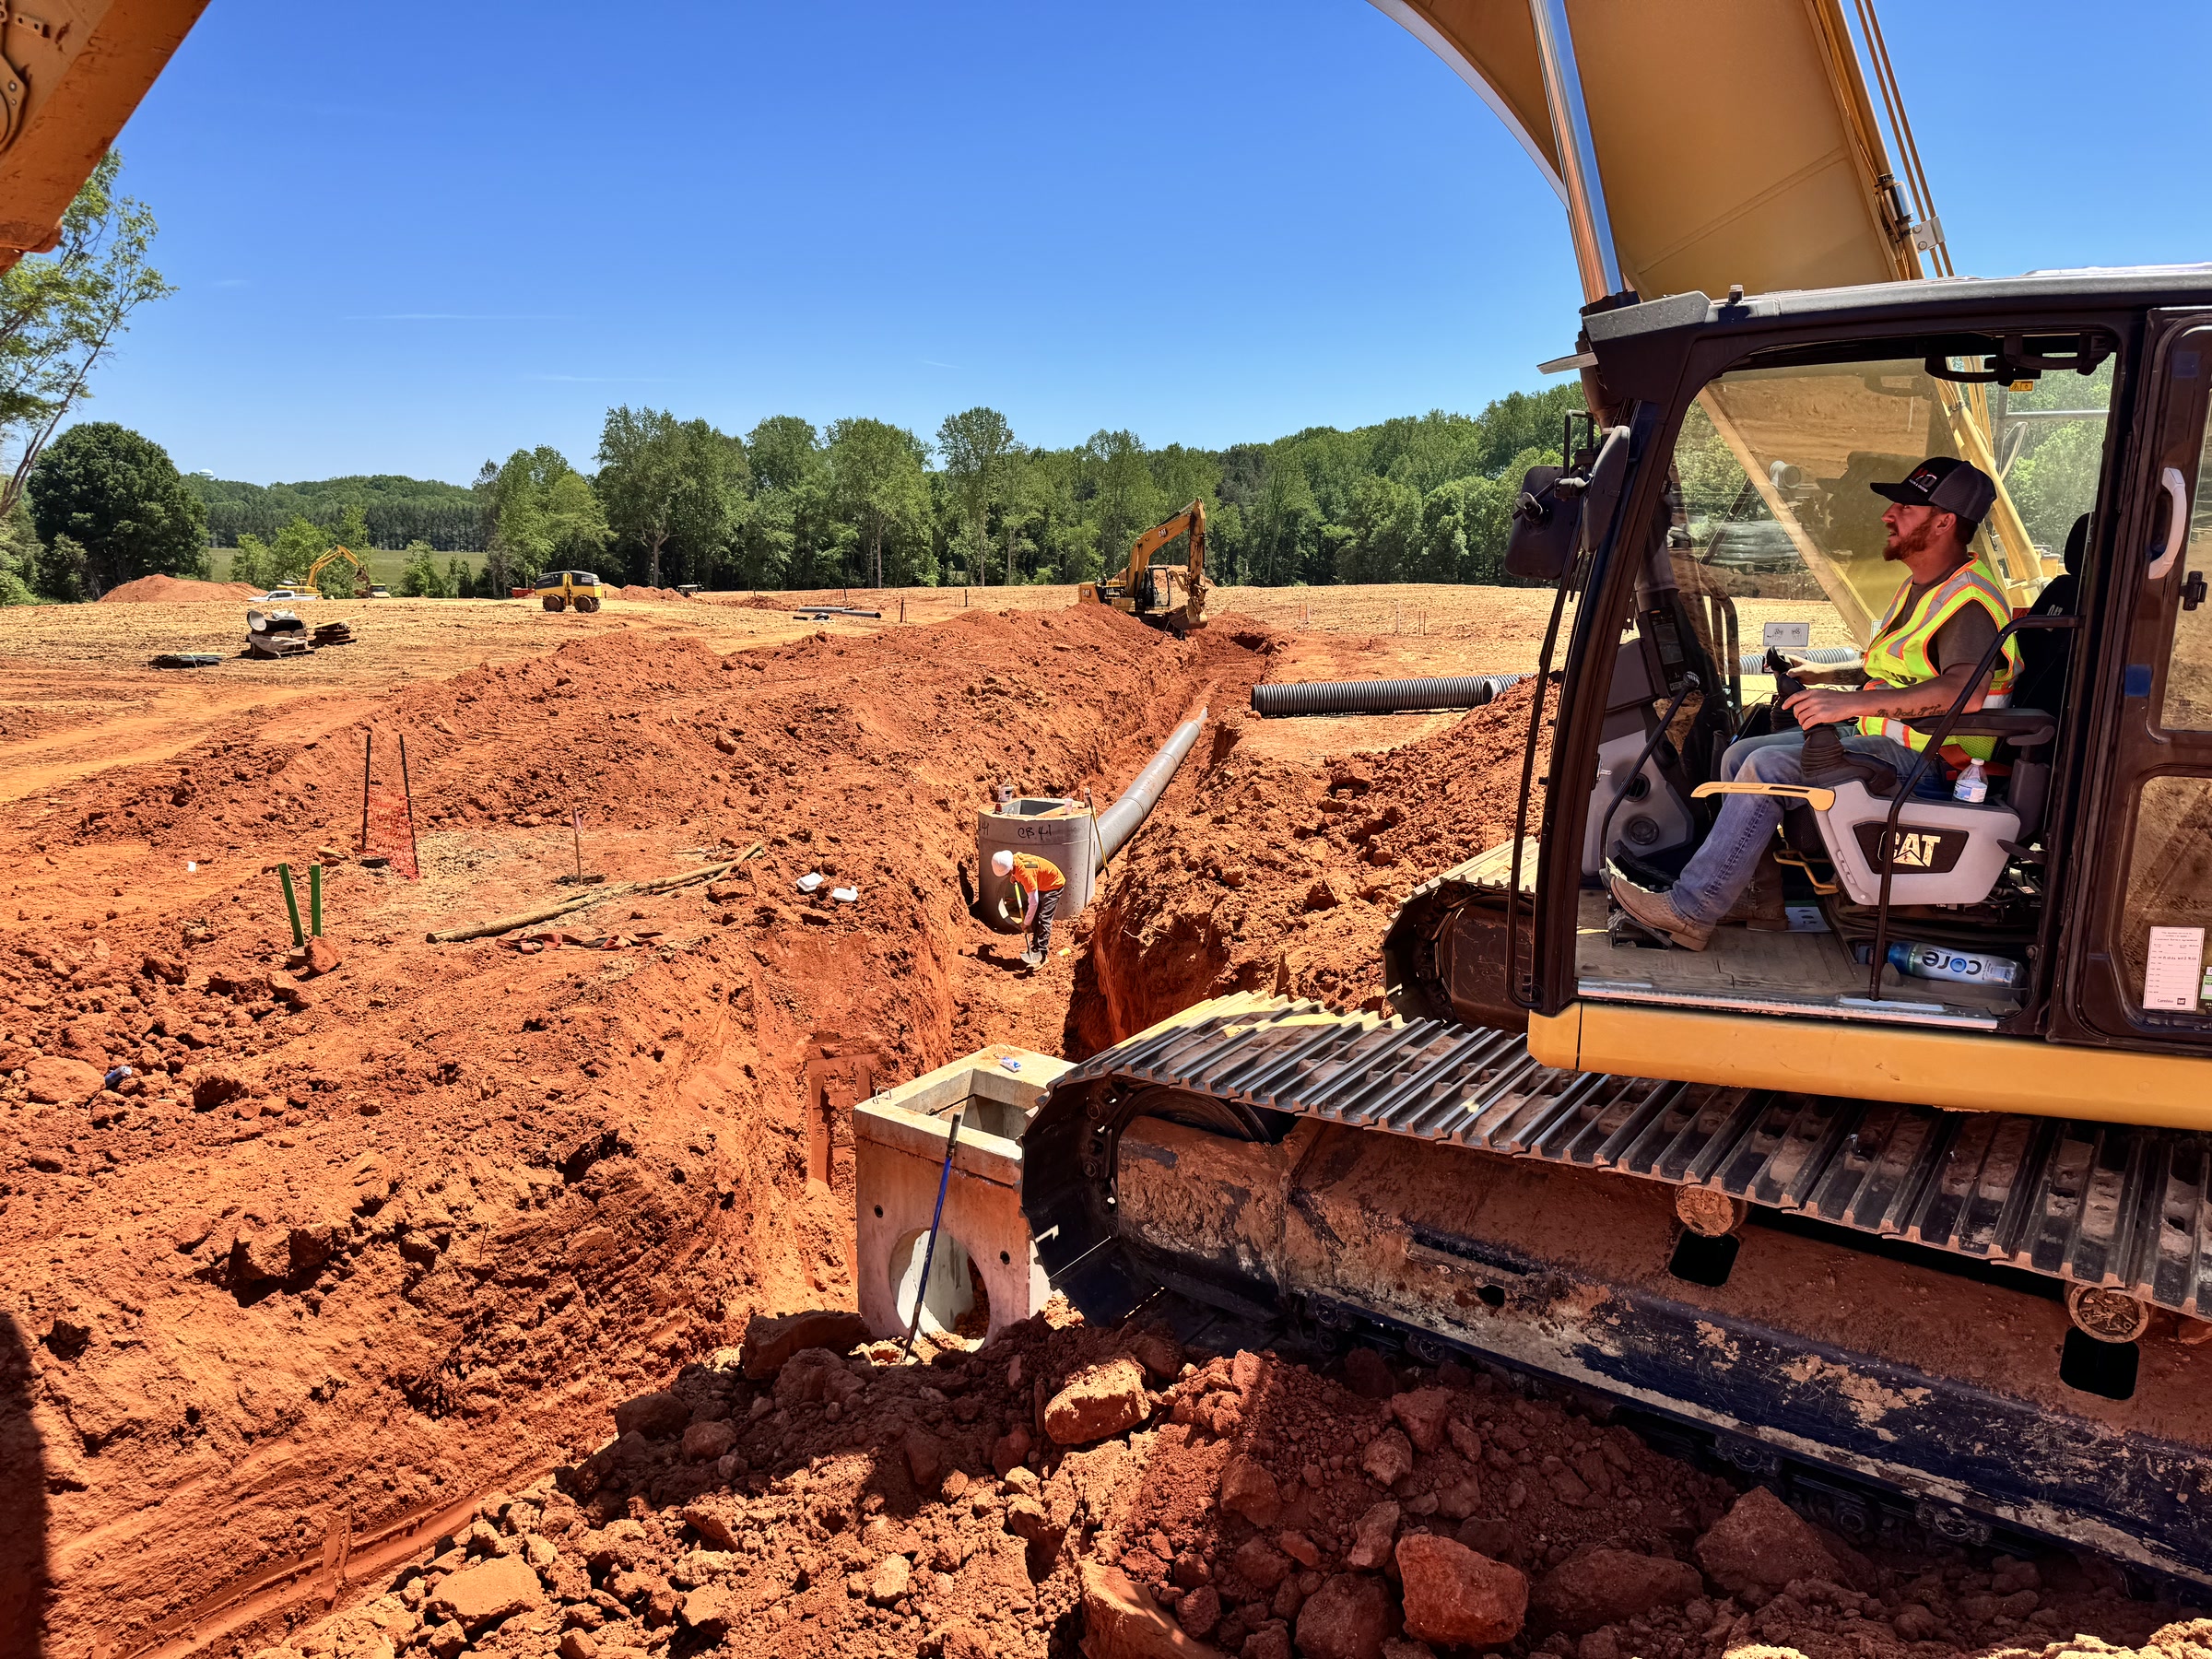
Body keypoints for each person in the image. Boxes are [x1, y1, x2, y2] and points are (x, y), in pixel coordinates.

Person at [1612, 454, 2018, 950]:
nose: (1888, 516)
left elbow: (1964, 692)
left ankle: (1690, 911)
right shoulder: (1926, 588)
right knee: (1740, 753)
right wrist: (1829, 675)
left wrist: (1848, 707)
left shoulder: (1969, 604)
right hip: (1890, 741)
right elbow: (1900, 667)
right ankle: (1755, 897)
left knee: (1766, 766)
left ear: (1944, 522)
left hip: (1934, 762)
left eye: (1905, 508)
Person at [991, 847, 1066, 967]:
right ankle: (1035, 947)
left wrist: (1025, 923)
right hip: (1043, 882)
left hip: (1053, 885)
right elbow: (1019, 865)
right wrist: (1014, 876)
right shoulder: (1015, 859)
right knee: (1035, 917)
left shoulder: (1025, 875)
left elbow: (1034, 902)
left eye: (1008, 873)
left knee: (1043, 919)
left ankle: (1042, 955)